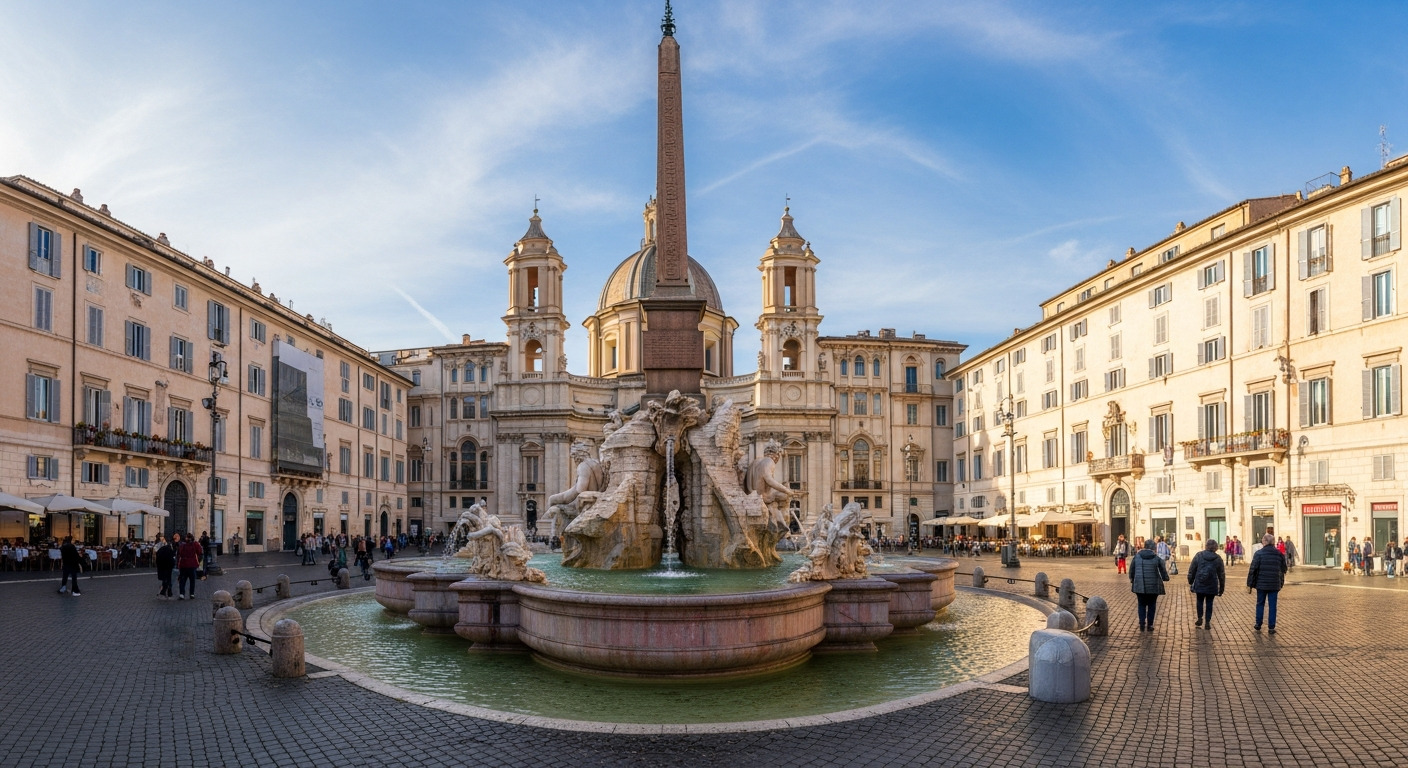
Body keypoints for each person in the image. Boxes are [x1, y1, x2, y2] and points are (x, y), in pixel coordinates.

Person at [1247, 533, 1288, 634]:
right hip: (1274, 584)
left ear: (1264, 542)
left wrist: (1250, 584)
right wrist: (1280, 582)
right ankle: (1271, 626)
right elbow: (1284, 569)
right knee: (1272, 605)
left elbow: (1253, 570)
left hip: (1261, 584)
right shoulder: (1279, 554)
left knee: (1260, 603)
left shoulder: (1258, 554)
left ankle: (1258, 624)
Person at [1129, 539, 1169, 632]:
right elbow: (1163, 569)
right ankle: (1150, 625)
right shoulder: (1156, 557)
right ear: (1153, 547)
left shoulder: (1137, 557)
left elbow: (1132, 569)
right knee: (1152, 605)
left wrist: (1132, 578)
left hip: (1140, 585)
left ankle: (1142, 624)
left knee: (1141, 604)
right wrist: (1165, 577)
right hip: (1153, 586)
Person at [1187, 539, 1226, 630]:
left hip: (1200, 582)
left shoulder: (1199, 555)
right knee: (1209, 603)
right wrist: (1221, 588)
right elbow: (1221, 575)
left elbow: (1192, 570)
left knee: (1199, 601)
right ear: (1216, 547)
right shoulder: (1218, 558)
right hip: (1212, 583)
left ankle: (1200, 617)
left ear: (1206, 546)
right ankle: (1207, 621)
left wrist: (1191, 581)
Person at [176, 533, 203, 600]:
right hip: (192, 564)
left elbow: (178, 554)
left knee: (182, 580)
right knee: (192, 580)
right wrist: (198, 562)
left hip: (183, 564)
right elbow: (200, 552)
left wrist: (177, 564)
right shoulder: (195, 544)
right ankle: (192, 594)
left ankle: (182, 594)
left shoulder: (182, 545)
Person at [154, 534, 176, 599]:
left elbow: (157, 558)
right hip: (168, 566)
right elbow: (173, 557)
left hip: (163, 566)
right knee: (168, 579)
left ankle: (165, 592)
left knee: (165, 579)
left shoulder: (160, 549)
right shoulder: (169, 549)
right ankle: (168, 592)